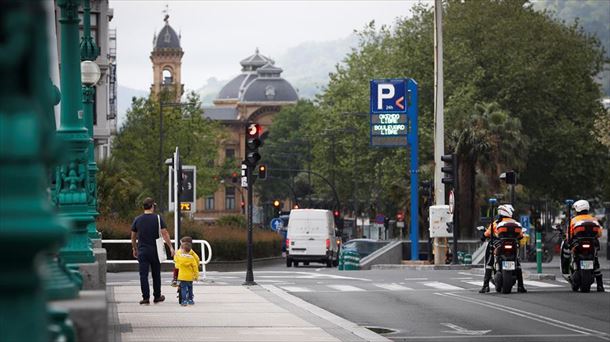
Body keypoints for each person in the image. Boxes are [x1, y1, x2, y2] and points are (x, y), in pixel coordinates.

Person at [131, 197, 175, 305]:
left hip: (142, 251)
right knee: (156, 274)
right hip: (155, 251)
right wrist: (171, 247)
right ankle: (157, 296)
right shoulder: (158, 218)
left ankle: (145, 298)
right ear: (152, 206)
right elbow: (165, 233)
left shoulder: (137, 219)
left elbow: (133, 236)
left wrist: (134, 248)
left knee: (143, 275)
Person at [479, 204, 527, 293]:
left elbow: (487, 234)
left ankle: (485, 286)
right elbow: (520, 236)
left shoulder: (496, 223)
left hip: (499, 246)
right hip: (513, 246)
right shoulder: (515, 223)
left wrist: (483, 236)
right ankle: (520, 286)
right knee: (517, 263)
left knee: (490, 262)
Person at [568, 200, 604, 292]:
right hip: (592, 244)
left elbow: (570, 235)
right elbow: (599, 234)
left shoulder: (574, 220)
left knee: (573, 257)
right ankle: (600, 285)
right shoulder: (593, 219)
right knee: (595, 262)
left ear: (578, 209)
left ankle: (574, 272)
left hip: (578, 245)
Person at [174, 241, 199, 306]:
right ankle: (190, 300)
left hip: (182, 277)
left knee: (183, 289)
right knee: (190, 288)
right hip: (190, 277)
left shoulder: (180, 257)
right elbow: (195, 267)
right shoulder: (192, 258)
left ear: (183, 250)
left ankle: (184, 301)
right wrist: (196, 276)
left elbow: (176, 265)